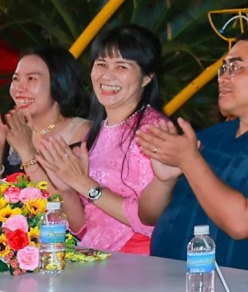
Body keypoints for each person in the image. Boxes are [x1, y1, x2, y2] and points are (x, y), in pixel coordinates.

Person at [138, 35, 248, 274]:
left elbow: (240, 223)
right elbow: (148, 215)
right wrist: (166, 179)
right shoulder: (212, 137)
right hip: (167, 280)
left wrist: (189, 161)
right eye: (224, 68)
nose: (224, 77)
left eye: (236, 68)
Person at [31, 25, 167, 254]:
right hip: (95, 256)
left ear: (146, 78)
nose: (107, 75)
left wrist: (85, 184)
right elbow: (83, 227)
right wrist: (67, 189)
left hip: (138, 261)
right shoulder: (96, 130)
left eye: (122, 66)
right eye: (101, 64)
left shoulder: (152, 132)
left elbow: (149, 221)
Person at [0, 46, 90, 182]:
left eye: (31, 79)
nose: (19, 88)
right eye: (15, 79)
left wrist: (26, 152)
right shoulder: (12, 132)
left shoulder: (82, 132)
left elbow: (67, 201)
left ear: (59, 83)